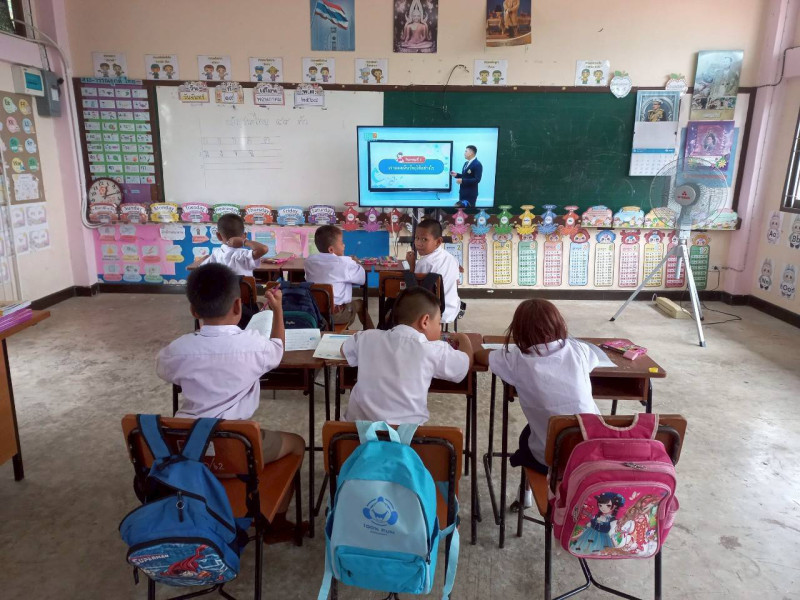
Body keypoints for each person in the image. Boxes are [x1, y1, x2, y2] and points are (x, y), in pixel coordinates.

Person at [157, 264, 305, 540]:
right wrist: (277, 310)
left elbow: (164, 371)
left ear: (193, 311)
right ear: (238, 305)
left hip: (187, 448)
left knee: (234, 444)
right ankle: (277, 524)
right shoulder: (254, 345)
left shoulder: (176, 351)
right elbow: (278, 349)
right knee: (296, 443)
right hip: (236, 450)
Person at [475, 299, 600, 509]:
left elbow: (481, 356)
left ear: (518, 331)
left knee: (529, 434)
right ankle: (526, 493)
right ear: (559, 324)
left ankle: (525, 494)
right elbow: (592, 363)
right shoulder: (578, 349)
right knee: (542, 428)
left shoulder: (516, 359)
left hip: (550, 460)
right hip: (591, 453)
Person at [341, 287, 473, 424]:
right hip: (406, 435)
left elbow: (343, 350)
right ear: (425, 321)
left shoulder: (367, 337)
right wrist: (464, 339)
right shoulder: (433, 350)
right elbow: (465, 364)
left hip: (354, 433)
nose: (440, 328)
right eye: (438, 323)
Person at [304, 225, 374, 329]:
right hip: (336, 315)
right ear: (331, 249)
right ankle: (372, 332)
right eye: (341, 243)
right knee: (360, 303)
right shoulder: (345, 263)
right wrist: (356, 262)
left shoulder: (309, 261)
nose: (344, 245)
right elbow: (362, 279)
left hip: (315, 313)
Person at [406, 218, 461, 325]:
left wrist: (412, 266)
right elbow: (456, 282)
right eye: (417, 238)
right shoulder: (452, 258)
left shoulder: (424, 263)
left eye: (424, 239)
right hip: (451, 310)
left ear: (438, 242)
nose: (418, 243)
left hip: (432, 314)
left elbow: (413, 291)